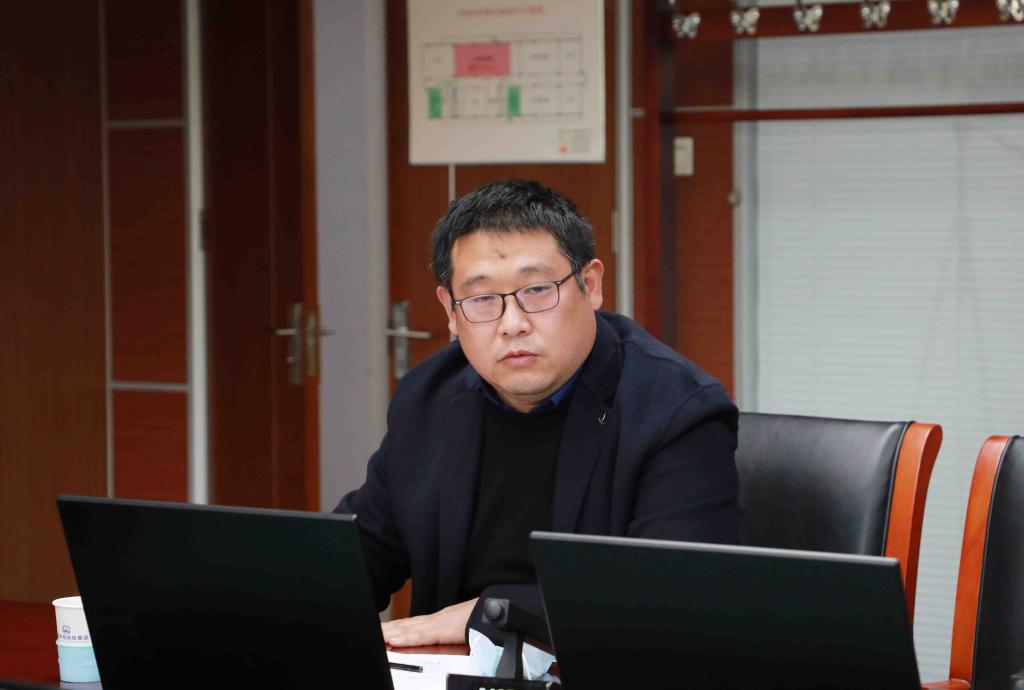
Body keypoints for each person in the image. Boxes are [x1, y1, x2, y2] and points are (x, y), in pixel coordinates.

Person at [335, 178, 739, 648]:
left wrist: (491, 613)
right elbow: (358, 553)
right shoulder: (430, 397)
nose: (512, 324)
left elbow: (670, 595)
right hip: (448, 671)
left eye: (538, 290)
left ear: (591, 285)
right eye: (482, 299)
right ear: (450, 310)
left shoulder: (676, 411)